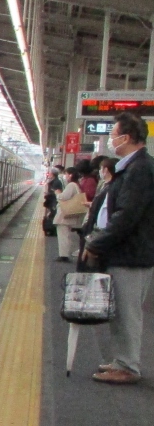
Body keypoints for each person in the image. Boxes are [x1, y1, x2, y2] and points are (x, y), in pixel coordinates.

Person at [80, 113, 154, 384]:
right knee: (121, 312)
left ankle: (128, 367)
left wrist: (97, 243)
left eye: (113, 135)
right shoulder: (133, 167)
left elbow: (126, 215)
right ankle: (121, 360)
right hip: (127, 253)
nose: (111, 140)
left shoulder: (139, 169)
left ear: (127, 137)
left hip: (130, 255)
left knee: (127, 313)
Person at [52, 167, 87, 260]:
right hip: (68, 215)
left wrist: (57, 193)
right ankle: (64, 254)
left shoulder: (71, 185)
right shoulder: (76, 185)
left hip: (64, 216)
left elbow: (64, 197)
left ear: (70, 175)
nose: (65, 176)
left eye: (66, 174)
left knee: (63, 235)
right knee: (66, 235)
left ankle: (63, 255)